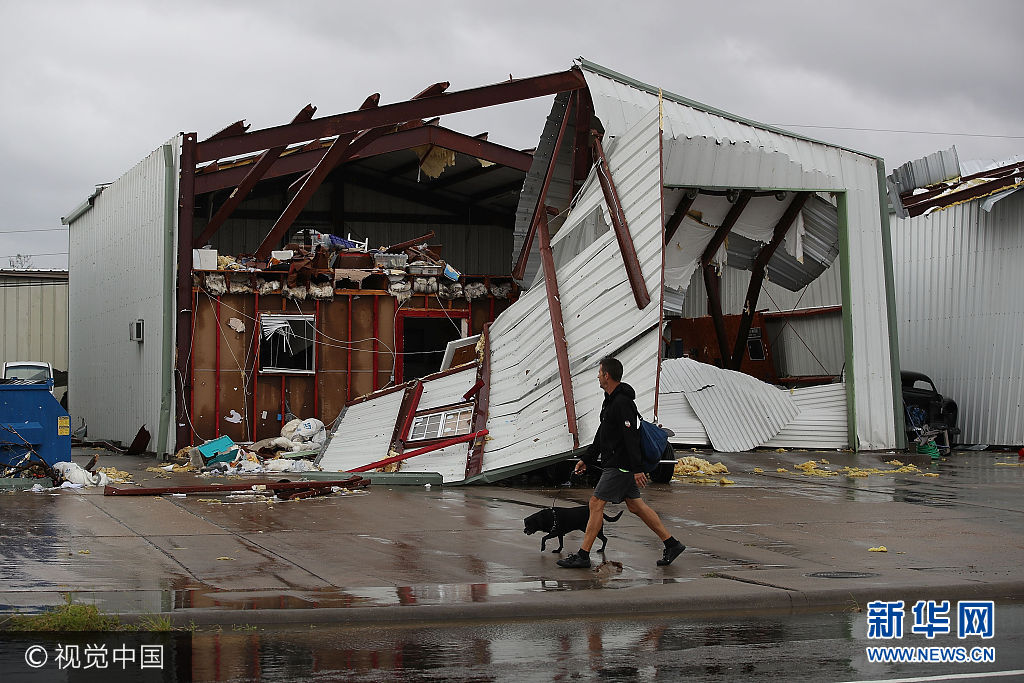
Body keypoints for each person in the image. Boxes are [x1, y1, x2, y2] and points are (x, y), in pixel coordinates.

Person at [557, 356, 686, 569]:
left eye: (599, 372)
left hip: (621, 465)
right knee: (636, 506)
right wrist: (587, 459)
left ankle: (583, 555)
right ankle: (672, 544)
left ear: (607, 375)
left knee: (596, 503)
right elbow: (602, 435)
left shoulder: (623, 402)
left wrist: (636, 469)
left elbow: (631, 437)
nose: (597, 376)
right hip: (619, 464)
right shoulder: (610, 401)